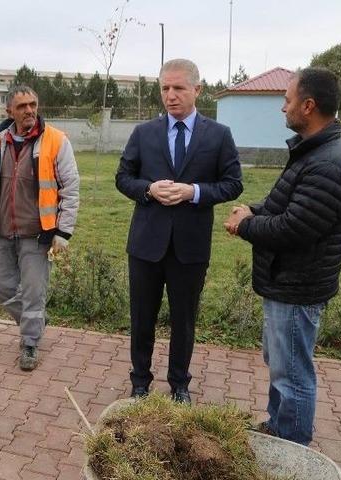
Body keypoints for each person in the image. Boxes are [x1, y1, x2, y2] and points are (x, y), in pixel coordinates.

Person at [224, 67, 341, 446]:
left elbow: (294, 229)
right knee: (282, 367)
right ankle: (277, 425)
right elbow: (283, 202)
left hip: (297, 286)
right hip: (287, 282)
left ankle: (292, 447)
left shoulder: (327, 163)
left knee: (293, 374)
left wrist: (244, 226)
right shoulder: (314, 151)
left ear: (309, 105)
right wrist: (250, 209)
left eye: (287, 100)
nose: (282, 109)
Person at [115, 58, 243, 403]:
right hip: (146, 243)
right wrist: (148, 190)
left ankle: (179, 384)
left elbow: (233, 185)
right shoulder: (144, 133)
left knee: (184, 319)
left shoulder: (218, 136)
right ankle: (139, 381)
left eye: (178, 88)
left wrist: (194, 192)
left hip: (190, 245)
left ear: (196, 90)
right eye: (164, 89)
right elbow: (123, 177)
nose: (170, 96)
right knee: (142, 316)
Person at [0, 85, 80, 371]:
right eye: (22, 106)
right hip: (2, 230)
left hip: (37, 234)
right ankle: (34, 321)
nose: (29, 111)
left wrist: (62, 232)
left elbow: (71, 190)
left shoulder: (56, 141)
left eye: (33, 104)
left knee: (34, 292)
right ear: (9, 110)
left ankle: (30, 343)